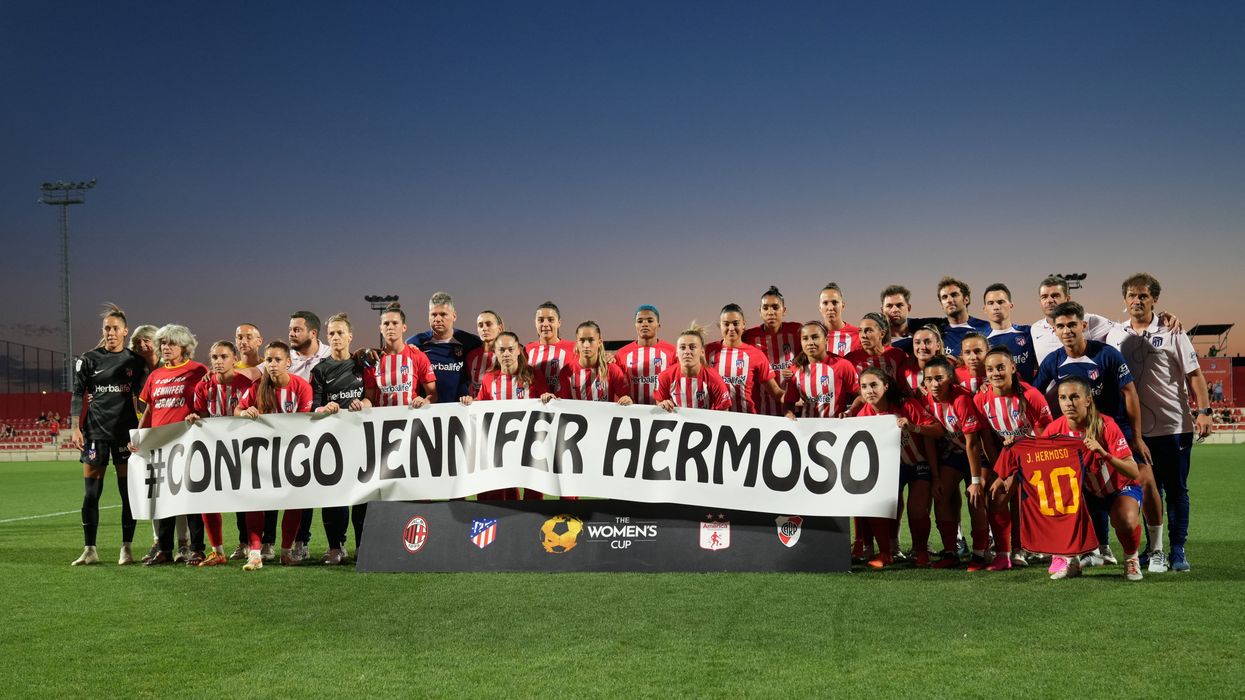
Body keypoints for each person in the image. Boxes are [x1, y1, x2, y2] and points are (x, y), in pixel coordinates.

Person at [1106, 273, 1214, 572]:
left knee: (1176, 490)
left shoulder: (1172, 330)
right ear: (1124, 300)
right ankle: (1154, 549)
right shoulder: (1115, 333)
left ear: (1154, 299)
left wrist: (1204, 410)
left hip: (1173, 425)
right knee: (1147, 490)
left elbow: (1194, 374)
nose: (1136, 301)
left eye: (1143, 296)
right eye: (1131, 295)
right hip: (1135, 430)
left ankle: (1178, 550)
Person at [1034, 300, 1147, 568]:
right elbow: (1032, 395)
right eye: (1060, 326)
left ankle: (1154, 548)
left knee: (1147, 480)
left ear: (1083, 326)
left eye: (1072, 324)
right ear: (1054, 330)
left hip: (1114, 430)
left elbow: (1129, 392)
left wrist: (1137, 437)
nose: (1067, 330)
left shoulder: (1106, 354)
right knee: (1085, 488)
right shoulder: (1054, 361)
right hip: (1076, 435)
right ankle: (1098, 548)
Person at [67, 304, 150, 566]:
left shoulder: (135, 362)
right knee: (91, 493)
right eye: (107, 328)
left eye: (115, 328)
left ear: (125, 331)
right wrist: (74, 425)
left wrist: (144, 428)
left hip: (125, 435)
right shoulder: (89, 359)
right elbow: (78, 393)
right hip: (95, 433)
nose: (111, 332)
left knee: (128, 493)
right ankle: (89, 549)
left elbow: (143, 399)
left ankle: (126, 548)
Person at [1043, 376, 1145, 581]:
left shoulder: (1106, 425)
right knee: (1056, 504)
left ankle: (1131, 559)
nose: (1068, 403)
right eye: (1063, 398)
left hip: (1118, 488)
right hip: (1086, 492)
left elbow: (1134, 472)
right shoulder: (1054, 430)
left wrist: (1105, 453)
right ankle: (1071, 561)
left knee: (1125, 519)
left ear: (1088, 400)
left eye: (1074, 397)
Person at [133, 324, 209, 566]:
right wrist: (139, 437)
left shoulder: (199, 371)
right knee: (163, 500)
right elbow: (149, 410)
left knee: (193, 498)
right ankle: (164, 550)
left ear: (184, 347)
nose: (166, 347)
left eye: (171, 343)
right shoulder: (155, 376)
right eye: (163, 343)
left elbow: (205, 405)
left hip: (189, 443)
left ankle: (197, 549)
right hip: (160, 445)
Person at [235, 341, 314, 570]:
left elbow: (304, 421)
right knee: (256, 500)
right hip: (263, 456)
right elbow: (238, 410)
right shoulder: (258, 386)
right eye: (268, 359)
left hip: (292, 455)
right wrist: (244, 412)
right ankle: (256, 553)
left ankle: (286, 551)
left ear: (288, 362)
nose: (272, 364)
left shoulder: (301, 387)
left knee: (294, 502)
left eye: (277, 359)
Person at [974, 347, 1054, 569]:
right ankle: (1004, 554)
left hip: (1035, 455)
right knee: (997, 496)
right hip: (1005, 456)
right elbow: (987, 439)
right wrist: (1000, 470)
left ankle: (1021, 549)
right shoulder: (981, 398)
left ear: (1013, 368)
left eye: (1001, 367)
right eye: (990, 369)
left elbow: (1045, 437)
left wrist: (1016, 469)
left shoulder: (1031, 396)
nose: (996, 373)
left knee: (1018, 498)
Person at [856, 367, 943, 568]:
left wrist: (914, 427)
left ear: (886, 386)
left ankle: (921, 552)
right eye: (864, 387)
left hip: (917, 464)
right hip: (889, 469)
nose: (869, 391)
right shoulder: (863, 415)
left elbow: (937, 430)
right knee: (878, 506)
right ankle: (886, 554)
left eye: (874, 385)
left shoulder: (906, 405)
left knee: (917, 508)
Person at [186, 340, 255, 566]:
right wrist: (194, 418)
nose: (218, 361)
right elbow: (200, 414)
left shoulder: (246, 384)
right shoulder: (203, 387)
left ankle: (250, 547)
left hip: (242, 451)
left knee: (247, 499)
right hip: (214, 450)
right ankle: (217, 551)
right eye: (214, 357)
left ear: (235, 359)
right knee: (208, 498)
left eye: (224, 356)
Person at [921, 356, 993, 570]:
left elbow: (972, 442)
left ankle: (980, 553)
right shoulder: (925, 401)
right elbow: (929, 441)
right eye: (929, 379)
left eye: (939, 378)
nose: (934, 384)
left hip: (979, 455)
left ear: (950, 378)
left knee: (975, 498)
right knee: (941, 494)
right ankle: (950, 552)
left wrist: (976, 481)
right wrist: (935, 477)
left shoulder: (961, 399)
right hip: (953, 454)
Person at [311, 313, 371, 564]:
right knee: (334, 495)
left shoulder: (363, 366)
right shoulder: (320, 370)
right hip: (332, 442)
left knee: (362, 495)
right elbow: (313, 407)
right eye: (331, 334)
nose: (335, 337)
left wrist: (364, 404)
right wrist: (324, 409)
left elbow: (371, 398)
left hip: (361, 439)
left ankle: (363, 545)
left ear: (350, 336)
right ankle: (335, 547)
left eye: (339, 333)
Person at [461, 331, 550, 499]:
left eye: (510, 349)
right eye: (502, 350)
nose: (506, 354)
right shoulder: (489, 378)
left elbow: (547, 401)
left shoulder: (533, 375)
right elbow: (480, 406)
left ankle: (531, 524)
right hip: (500, 445)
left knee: (533, 493)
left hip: (530, 444)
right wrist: (469, 402)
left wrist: (547, 398)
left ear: (518, 351)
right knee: (503, 493)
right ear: (495, 352)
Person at [287, 310, 330, 561]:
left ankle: (336, 544)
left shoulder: (329, 354)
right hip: (295, 434)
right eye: (291, 329)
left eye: (297, 329)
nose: (291, 333)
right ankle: (299, 542)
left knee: (330, 490)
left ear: (313, 333)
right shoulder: (284, 356)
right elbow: (254, 373)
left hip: (327, 431)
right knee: (299, 491)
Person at [229, 322, 270, 558]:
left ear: (259, 340)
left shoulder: (270, 365)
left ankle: (268, 542)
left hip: (266, 439)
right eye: (239, 337)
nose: (243, 341)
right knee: (241, 492)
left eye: (248, 336)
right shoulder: (228, 368)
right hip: (238, 440)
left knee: (270, 491)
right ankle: (244, 541)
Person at [705, 304, 782, 414]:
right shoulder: (706, 352)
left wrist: (803, 399)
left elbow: (776, 392)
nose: (731, 328)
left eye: (735, 323)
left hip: (746, 421)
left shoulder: (756, 355)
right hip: (715, 422)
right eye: (726, 324)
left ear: (743, 324)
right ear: (720, 325)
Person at [407, 292, 483, 402]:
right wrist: (373, 352)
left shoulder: (470, 341)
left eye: (443, 314)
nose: (437, 319)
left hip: (460, 408)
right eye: (433, 314)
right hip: (426, 410)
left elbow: (496, 350)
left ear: (454, 316)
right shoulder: (416, 342)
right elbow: (393, 354)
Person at [364, 302, 439, 409]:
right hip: (381, 421)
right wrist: (361, 404)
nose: (390, 327)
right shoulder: (372, 360)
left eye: (395, 323)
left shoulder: (418, 356)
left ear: (404, 327)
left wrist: (425, 400)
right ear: (380, 328)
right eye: (386, 324)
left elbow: (433, 395)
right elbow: (369, 399)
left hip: (412, 420)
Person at [742, 286, 803, 416]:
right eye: (766, 308)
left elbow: (810, 354)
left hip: (796, 408)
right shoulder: (749, 336)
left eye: (775, 307)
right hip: (762, 410)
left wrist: (796, 367)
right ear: (760, 311)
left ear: (784, 310)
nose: (771, 312)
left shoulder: (796, 331)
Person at [782, 321, 859, 419]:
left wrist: (849, 412)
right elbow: (788, 402)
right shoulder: (795, 369)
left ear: (826, 340)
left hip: (838, 429)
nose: (810, 343)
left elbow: (861, 396)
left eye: (815, 337)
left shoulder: (843, 365)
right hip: (807, 429)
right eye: (805, 338)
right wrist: (788, 413)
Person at [655, 326, 733, 412]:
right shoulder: (665, 376)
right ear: (677, 352)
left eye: (692, 347)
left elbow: (724, 412)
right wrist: (663, 405)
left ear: (702, 352)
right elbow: (660, 407)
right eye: (682, 347)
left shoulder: (713, 378)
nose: (687, 352)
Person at [614, 305, 678, 405]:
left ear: (658, 325)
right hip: (632, 413)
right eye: (640, 321)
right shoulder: (622, 354)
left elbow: (679, 383)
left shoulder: (673, 351)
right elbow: (616, 384)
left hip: (664, 412)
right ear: (635, 325)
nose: (644, 324)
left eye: (650, 320)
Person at [554, 321, 632, 404]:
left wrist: (627, 399)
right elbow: (562, 404)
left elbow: (626, 397)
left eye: (591, 340)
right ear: (576, 343)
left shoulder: (612, 369)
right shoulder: (567, 371)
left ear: (599, 342)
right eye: (582, 340)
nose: (586, 345)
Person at [981, 283, 1036, 382]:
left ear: (1011, 305)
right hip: (997, 395)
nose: (996, 307)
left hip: (1027, 394)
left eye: (1001, 302)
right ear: (984, 309)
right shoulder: (981, 341)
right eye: (990, 303)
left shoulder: (1028, 332)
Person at [526, 301, 577, 395]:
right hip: (536, 407)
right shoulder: (527, 350)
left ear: (559, 323)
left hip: (564, 405)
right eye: (540, 320)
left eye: (550, 319)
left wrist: (606, 358)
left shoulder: (574, 348)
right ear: (535, 323)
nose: (545, 324)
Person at [935, 277, 992, 357]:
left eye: (954, 295)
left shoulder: (985, 327)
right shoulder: (937, 330)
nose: (949, 300)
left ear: (966, 299)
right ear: (941, 304)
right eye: (944, 297)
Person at [879, 285, 942, 356]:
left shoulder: (922, 329)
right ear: (882, 311)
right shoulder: (875, 338)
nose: (894, 310)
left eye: (899, 305)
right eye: (889, 306)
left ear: (909, 308)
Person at [844, 312, 908, 379]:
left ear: (882, 334)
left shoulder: (898, 355)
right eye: (860, 330)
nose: (863, 335)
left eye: (869, 331)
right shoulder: (850, 360)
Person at [465, 310, 504, 399]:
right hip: (476, 409)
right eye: (480, 325)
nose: (484, 328)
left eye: (489, 324)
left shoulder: (508, 354)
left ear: (500, 328)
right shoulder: (471, 355)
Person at [818, 282, 860, 356]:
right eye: (825, 303)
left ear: (843, 306)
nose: (830, 308)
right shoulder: (813, 337)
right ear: (820, 308)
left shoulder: (858, 335)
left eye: (835, 302)